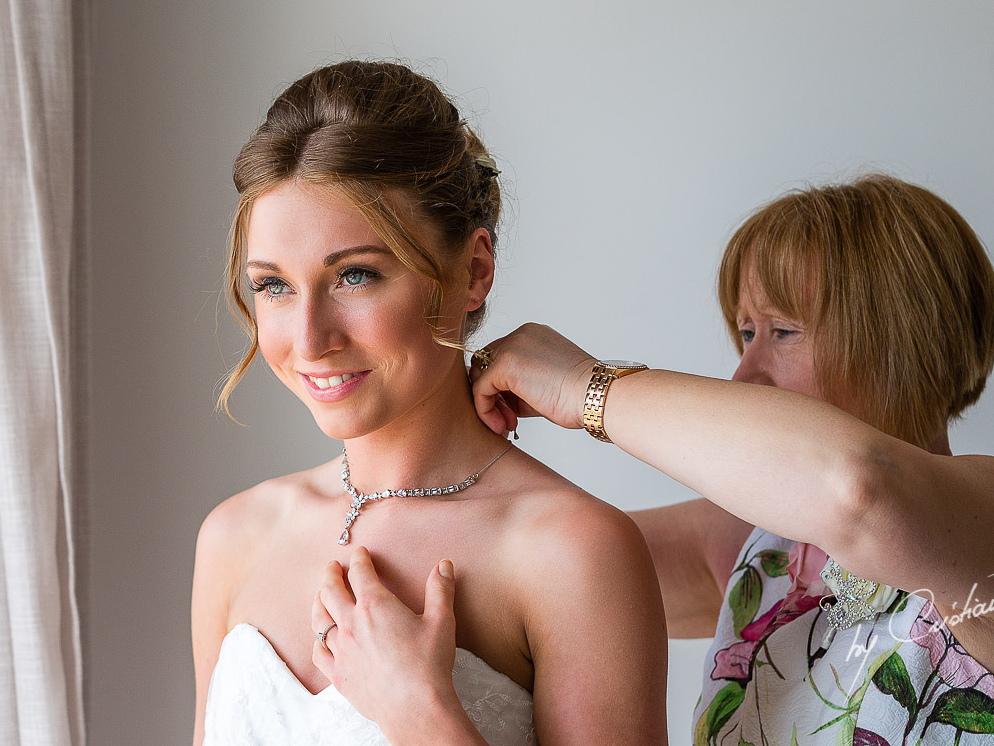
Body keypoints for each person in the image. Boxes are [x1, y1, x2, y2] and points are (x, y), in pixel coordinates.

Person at [321, 174, 994, 745]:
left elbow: (858, 489)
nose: (743, 373)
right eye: (744, 333)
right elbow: (522, 569)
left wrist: (585, 387)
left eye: (782, 331)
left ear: (903, 338)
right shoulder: (760, 554)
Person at [191, 60, 669, 746]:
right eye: (273, 286)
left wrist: (423, 716)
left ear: (473, 271)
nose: (310, 340)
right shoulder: (235, 537)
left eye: (355, 275)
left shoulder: (571, 552)